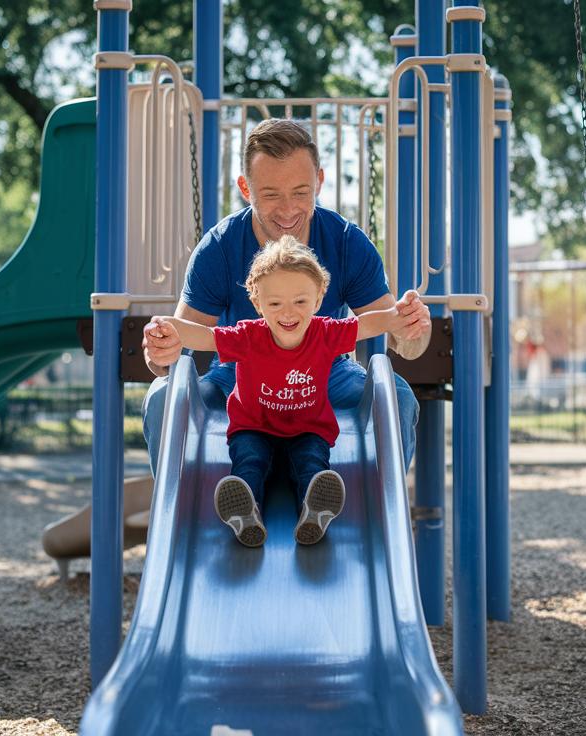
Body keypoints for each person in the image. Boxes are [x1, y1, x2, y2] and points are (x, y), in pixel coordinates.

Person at [142, 118, 430, 475]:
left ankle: (380, 513)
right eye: (271, 195)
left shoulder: (344, 242)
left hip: (325, 374)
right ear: (246, 188)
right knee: (160, 397)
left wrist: (415, 327)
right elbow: (177, 343)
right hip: (239, 376)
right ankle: (182, 514)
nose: (288, 209)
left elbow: (402, 336)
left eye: (300, 192)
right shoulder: (220, 247)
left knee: (397, 396)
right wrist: (160, 351)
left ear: (319, 182)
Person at [149, 236, 421, 546]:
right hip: (254, 426)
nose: (288, 313)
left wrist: (398, 314)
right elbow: (206, 336)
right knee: (248, 460)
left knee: (312, 462)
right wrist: (170, 327)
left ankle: (315, 510)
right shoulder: (249, 336)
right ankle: (244, 512)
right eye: (275, 303)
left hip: (308, 428)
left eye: (300, 302)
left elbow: (366, 324)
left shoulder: (325, 332)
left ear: (318, 300)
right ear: (257, 303)